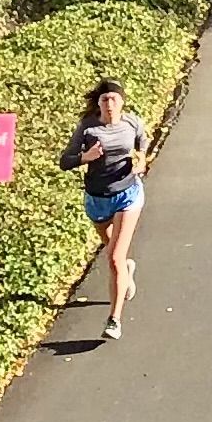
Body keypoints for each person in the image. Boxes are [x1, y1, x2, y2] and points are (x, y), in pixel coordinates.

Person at [63, 79, 150, 340]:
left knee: (113, 257)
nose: (109, 104)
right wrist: (84, 158)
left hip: (128, 194)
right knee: (117, 257)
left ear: (122, 101)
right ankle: (126, 271)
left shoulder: (132, 123)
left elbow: (143, 142)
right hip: (97, 199)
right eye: (104, 100)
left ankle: (114, 320)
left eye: (114, 99)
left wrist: (141, 159)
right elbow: (64, 161)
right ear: (98, 104)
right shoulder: (88, 128)